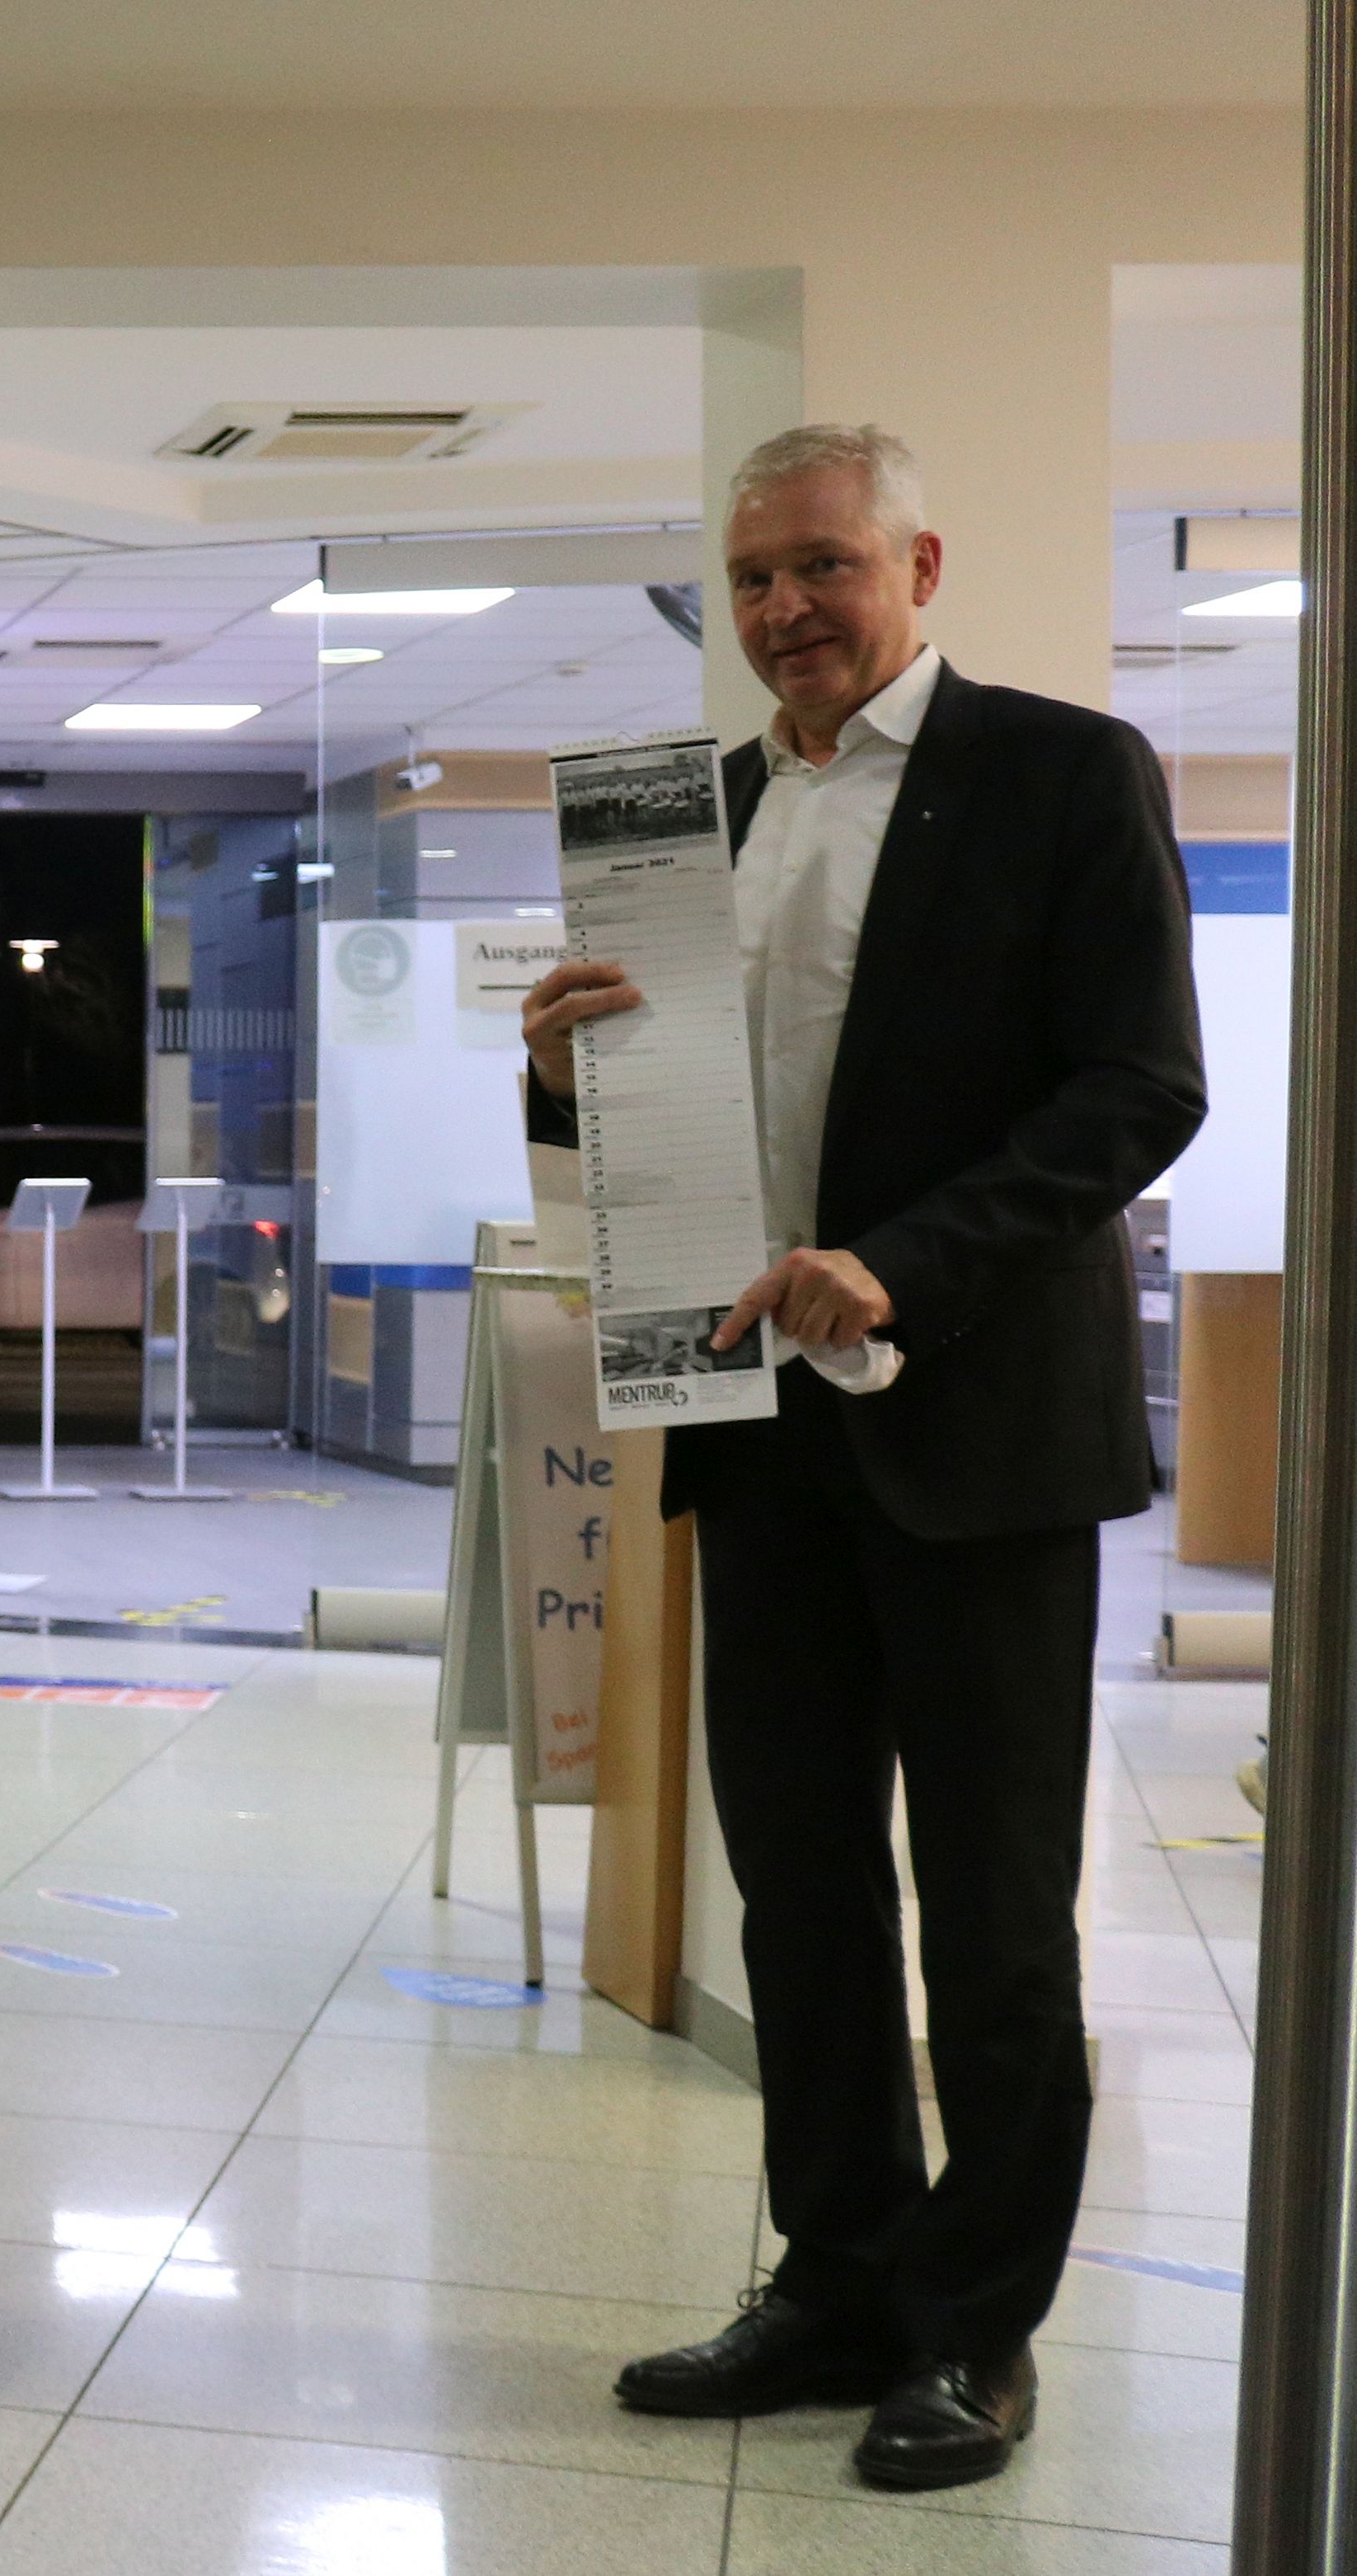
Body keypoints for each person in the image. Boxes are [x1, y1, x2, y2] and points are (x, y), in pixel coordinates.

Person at [521, 424, 1203, 2493]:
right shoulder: (688, 814)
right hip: (749, 1431)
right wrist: (556, 1081)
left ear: (915, 559)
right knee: (800, 1890)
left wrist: (894, 1269)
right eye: (746, 581)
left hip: (974, 1429)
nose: (781, 613)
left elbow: (1135, 1087)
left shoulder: (1063, 774)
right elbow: (626, 1151)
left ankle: (973, 2326)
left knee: (992, 1913)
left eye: (818, 567)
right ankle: (829, 2277)